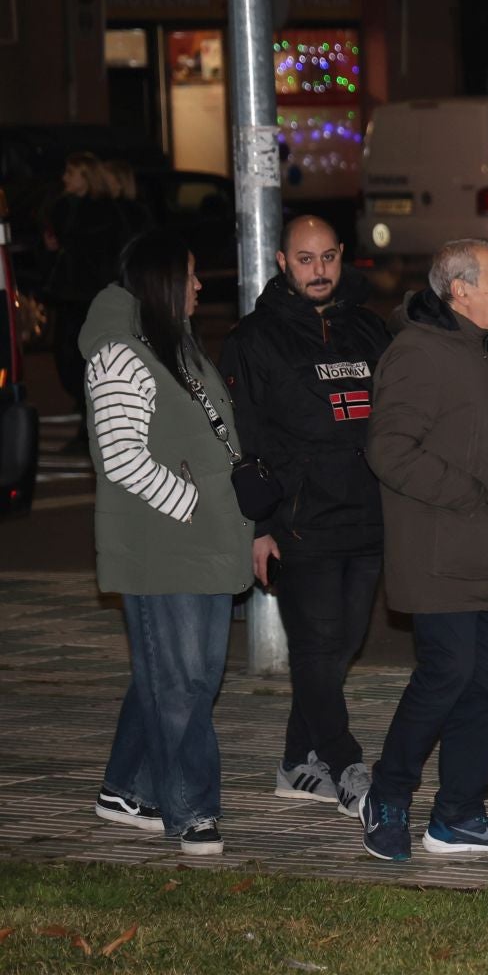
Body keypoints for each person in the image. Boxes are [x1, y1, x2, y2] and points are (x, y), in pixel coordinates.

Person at [357, 239, 488, 862]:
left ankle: (459, 816)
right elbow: (389, 449)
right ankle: (387, 793)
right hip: (442, 556)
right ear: (458, 290)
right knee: (447, 676)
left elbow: (479, 441)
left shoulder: (481, 350)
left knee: (486, 684)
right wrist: (467, 494)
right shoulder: (419, 353)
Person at [84, 230, 255, 855]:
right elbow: (121, 455)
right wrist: (192, 504)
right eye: (190, 273)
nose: (200, 285)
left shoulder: (174, 346)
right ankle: (190, 812)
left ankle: (125, 788)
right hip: (165, 546)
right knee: (181, 681)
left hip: (204, 539)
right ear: (160, 281)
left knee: (183, 677)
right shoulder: (118, 353)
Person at [220, 215, 391, 816]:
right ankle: (346, 764)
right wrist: (259, 528)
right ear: (281, 261)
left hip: (368, 516)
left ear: (342, 255)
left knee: (342, 645)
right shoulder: (254, 338)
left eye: (327, 257)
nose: (318, 271)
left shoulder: (370, 331)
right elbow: (241, 438)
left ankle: (297, 762)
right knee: (317, 650)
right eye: (304, 259)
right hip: (300, 521)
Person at [44, 153, 123, 432]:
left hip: (92, 294)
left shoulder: (103, 211)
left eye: (71, 173)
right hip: (69, 293)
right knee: (65, 355)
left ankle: (90, 418)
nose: (65, 178)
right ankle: (83, 407)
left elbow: (99, 250)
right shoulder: (65, 207)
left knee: (86, 356)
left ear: (85, 176)